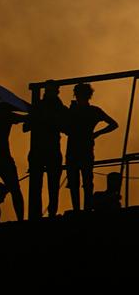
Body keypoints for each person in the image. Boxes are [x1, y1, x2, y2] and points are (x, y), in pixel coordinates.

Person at [66, 83, 118, 211]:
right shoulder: (94, 111)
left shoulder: (76, 111)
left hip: (75, 150)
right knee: (86, 181)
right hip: (85, 149)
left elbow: (64, 128)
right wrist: (96, 134)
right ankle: (86, 209)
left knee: (76, 182)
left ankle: (78, 209)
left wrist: (97, 133)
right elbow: (113, 124)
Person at [24, 81, 68, 219]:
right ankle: (47, 213)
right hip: (48, 150)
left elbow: (26, 127)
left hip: (43, 150)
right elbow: (26, 127)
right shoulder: (54, 108)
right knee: (48, 186)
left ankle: (45, 213)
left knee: (44, 185)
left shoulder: (41, 106)